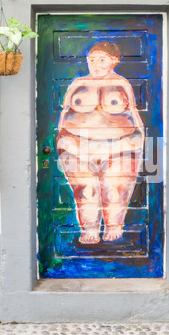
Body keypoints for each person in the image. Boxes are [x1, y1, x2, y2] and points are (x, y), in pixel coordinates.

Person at [57, 41, 144, 244]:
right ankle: (89, 229)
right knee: (86, 189)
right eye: (92, 60)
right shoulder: (77, 83)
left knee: (115, 189)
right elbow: (63, 113)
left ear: (114, 61)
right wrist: (63, 140)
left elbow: (133, 114)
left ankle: (114, 226)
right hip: (77, 145)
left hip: (119, 145)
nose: (95, 64)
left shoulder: (122, 84)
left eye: (101, 60)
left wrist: (137, 142)